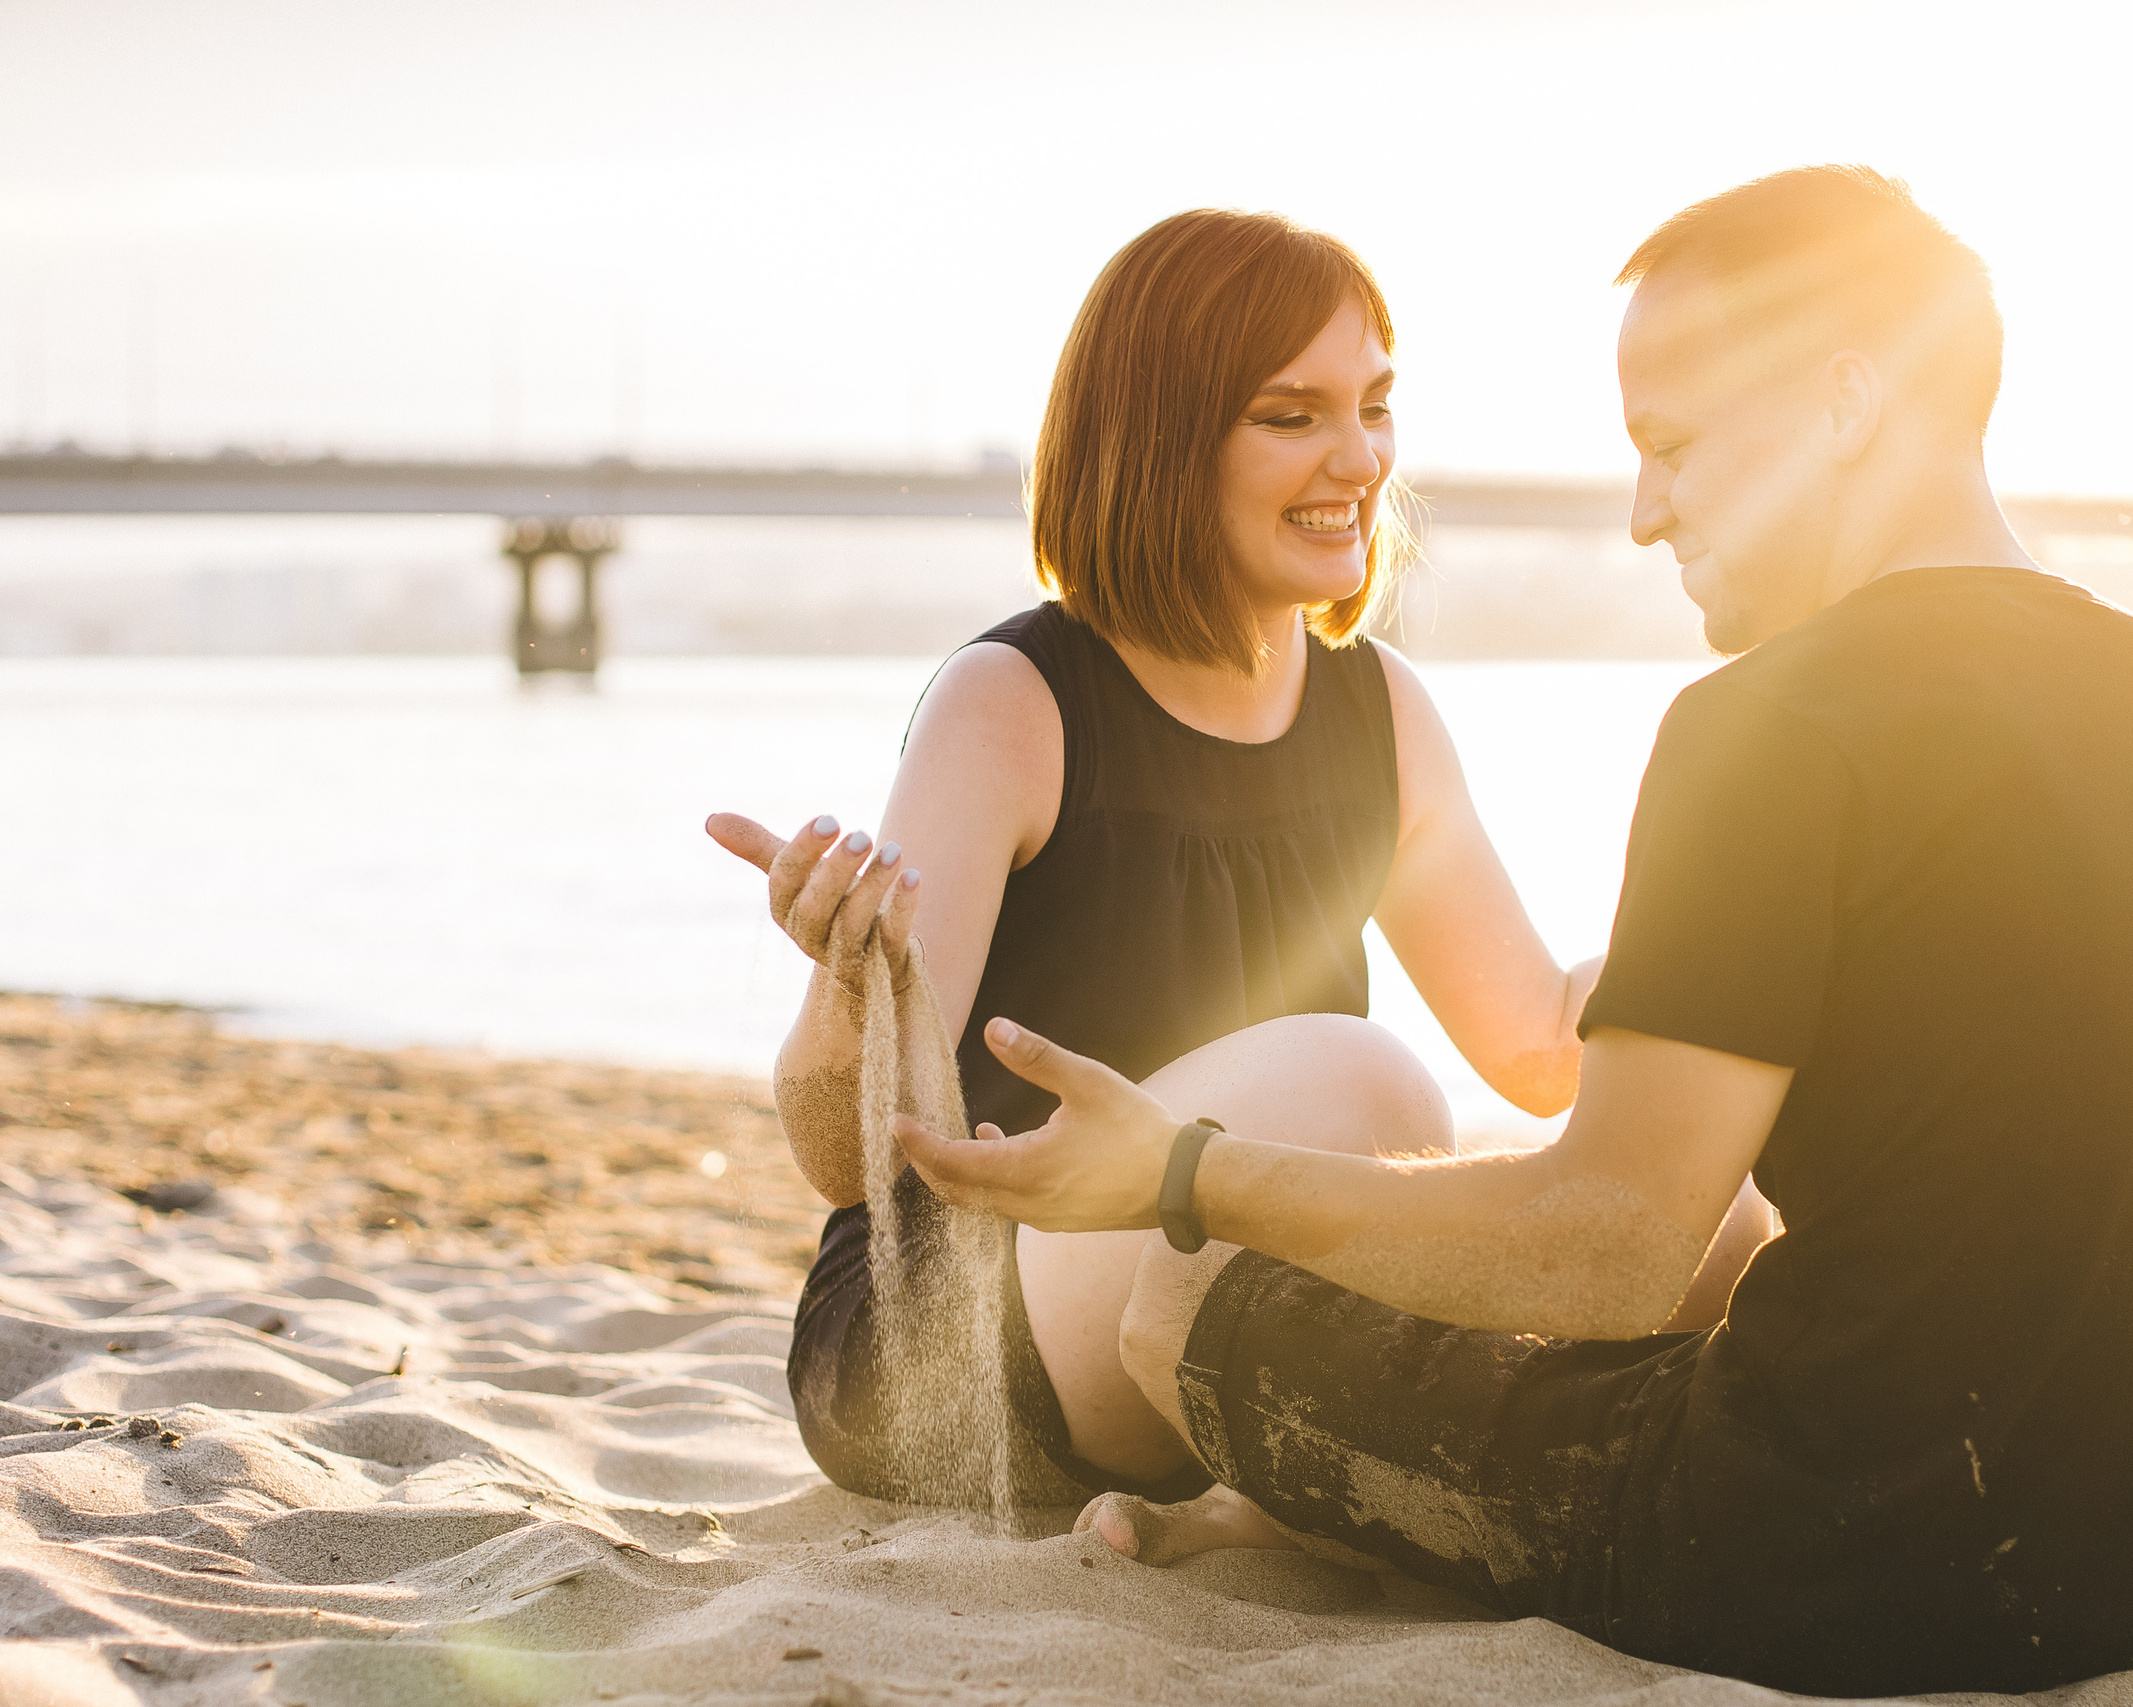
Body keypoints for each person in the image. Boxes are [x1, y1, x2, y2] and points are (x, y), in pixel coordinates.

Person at [888, 166, 2133, 1696]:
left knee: (1192, 1286)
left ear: (1849, 404)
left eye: (1672, 447)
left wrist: (1188, 1171)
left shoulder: (1772, 722)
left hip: (1828, 1560)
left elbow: (1605, 1247)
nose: (1647, 511)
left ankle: (1311, 1509)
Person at [707, 209, 1771, 1508]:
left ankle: (1266, 1509)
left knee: (1709, 1228)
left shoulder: (1382, 710)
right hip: (946, 1335)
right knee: (1360, 1083)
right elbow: (860, 1161)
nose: (1361, 458)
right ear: (1159, 440)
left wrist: (1777, 941)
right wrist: (847, 988)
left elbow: (1542, 1048)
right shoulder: (1014, 701)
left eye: (1375, 406)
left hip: (1224, 1266)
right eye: (1292, 415)